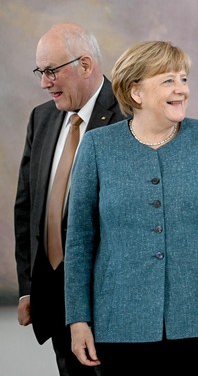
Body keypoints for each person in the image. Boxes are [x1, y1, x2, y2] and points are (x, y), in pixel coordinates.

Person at [63, 40, 198, 376]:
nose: (181, 89)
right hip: (121, 325)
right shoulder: (97, 146)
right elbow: (79, 240)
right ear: (136, 92)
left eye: (184, 79)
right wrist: (78, 320)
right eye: (168, 80)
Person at [14, 22, 126, 376]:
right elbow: (27, 208)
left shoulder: (129, 116)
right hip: (53, 298)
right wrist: (28, 287)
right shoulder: (42, 118)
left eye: (51, 71)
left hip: (110, 301)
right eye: (40, 72)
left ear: (86, 65)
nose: (44, 82)